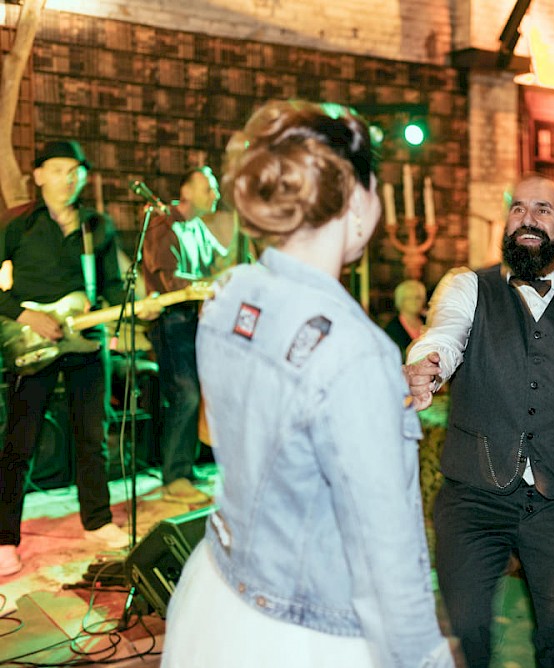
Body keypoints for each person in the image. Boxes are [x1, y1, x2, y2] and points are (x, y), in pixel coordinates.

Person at [161, 100, 453, 667]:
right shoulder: (356, 351)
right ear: (357, 199)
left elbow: (225, 434)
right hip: (306, 631)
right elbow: (386, 555)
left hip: (217, 598)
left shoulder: (229, 292)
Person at [404, 174, 554, 668]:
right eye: (518, 208)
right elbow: (444, 334)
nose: (528, 218)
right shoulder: (467, 285)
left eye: (543, 209)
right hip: (473, 497)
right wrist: (428, 364)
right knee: (464, 630)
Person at [0, 140, 157, 576]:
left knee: (93, 435)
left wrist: (108, 304)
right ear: (39, 175)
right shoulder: (18, 225)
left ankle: (97, 520)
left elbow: (110, 284)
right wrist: (26, 315)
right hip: (31, 343)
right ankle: (4, 538)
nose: (69, 178)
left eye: (76, 171)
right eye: (59, 169)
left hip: (85, 343)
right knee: (19, 441)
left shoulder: (97, 226)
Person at [141, 166, 226, 505]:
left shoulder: (199, 229)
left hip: (197, 320)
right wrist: (210, 284)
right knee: (185, 393)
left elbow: (223, 263)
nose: (216, 195)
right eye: (210, 188)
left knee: (197, 394)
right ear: (187, 191)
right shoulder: (163, 222)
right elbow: (169, 279)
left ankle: (185, 471)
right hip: (172, 320)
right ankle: (174, 477)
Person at [383, 278, 426, 360]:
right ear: (400, 300)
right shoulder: (392, 329)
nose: (414, 301)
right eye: (409, 298)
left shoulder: (429, 322)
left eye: (418, 297)